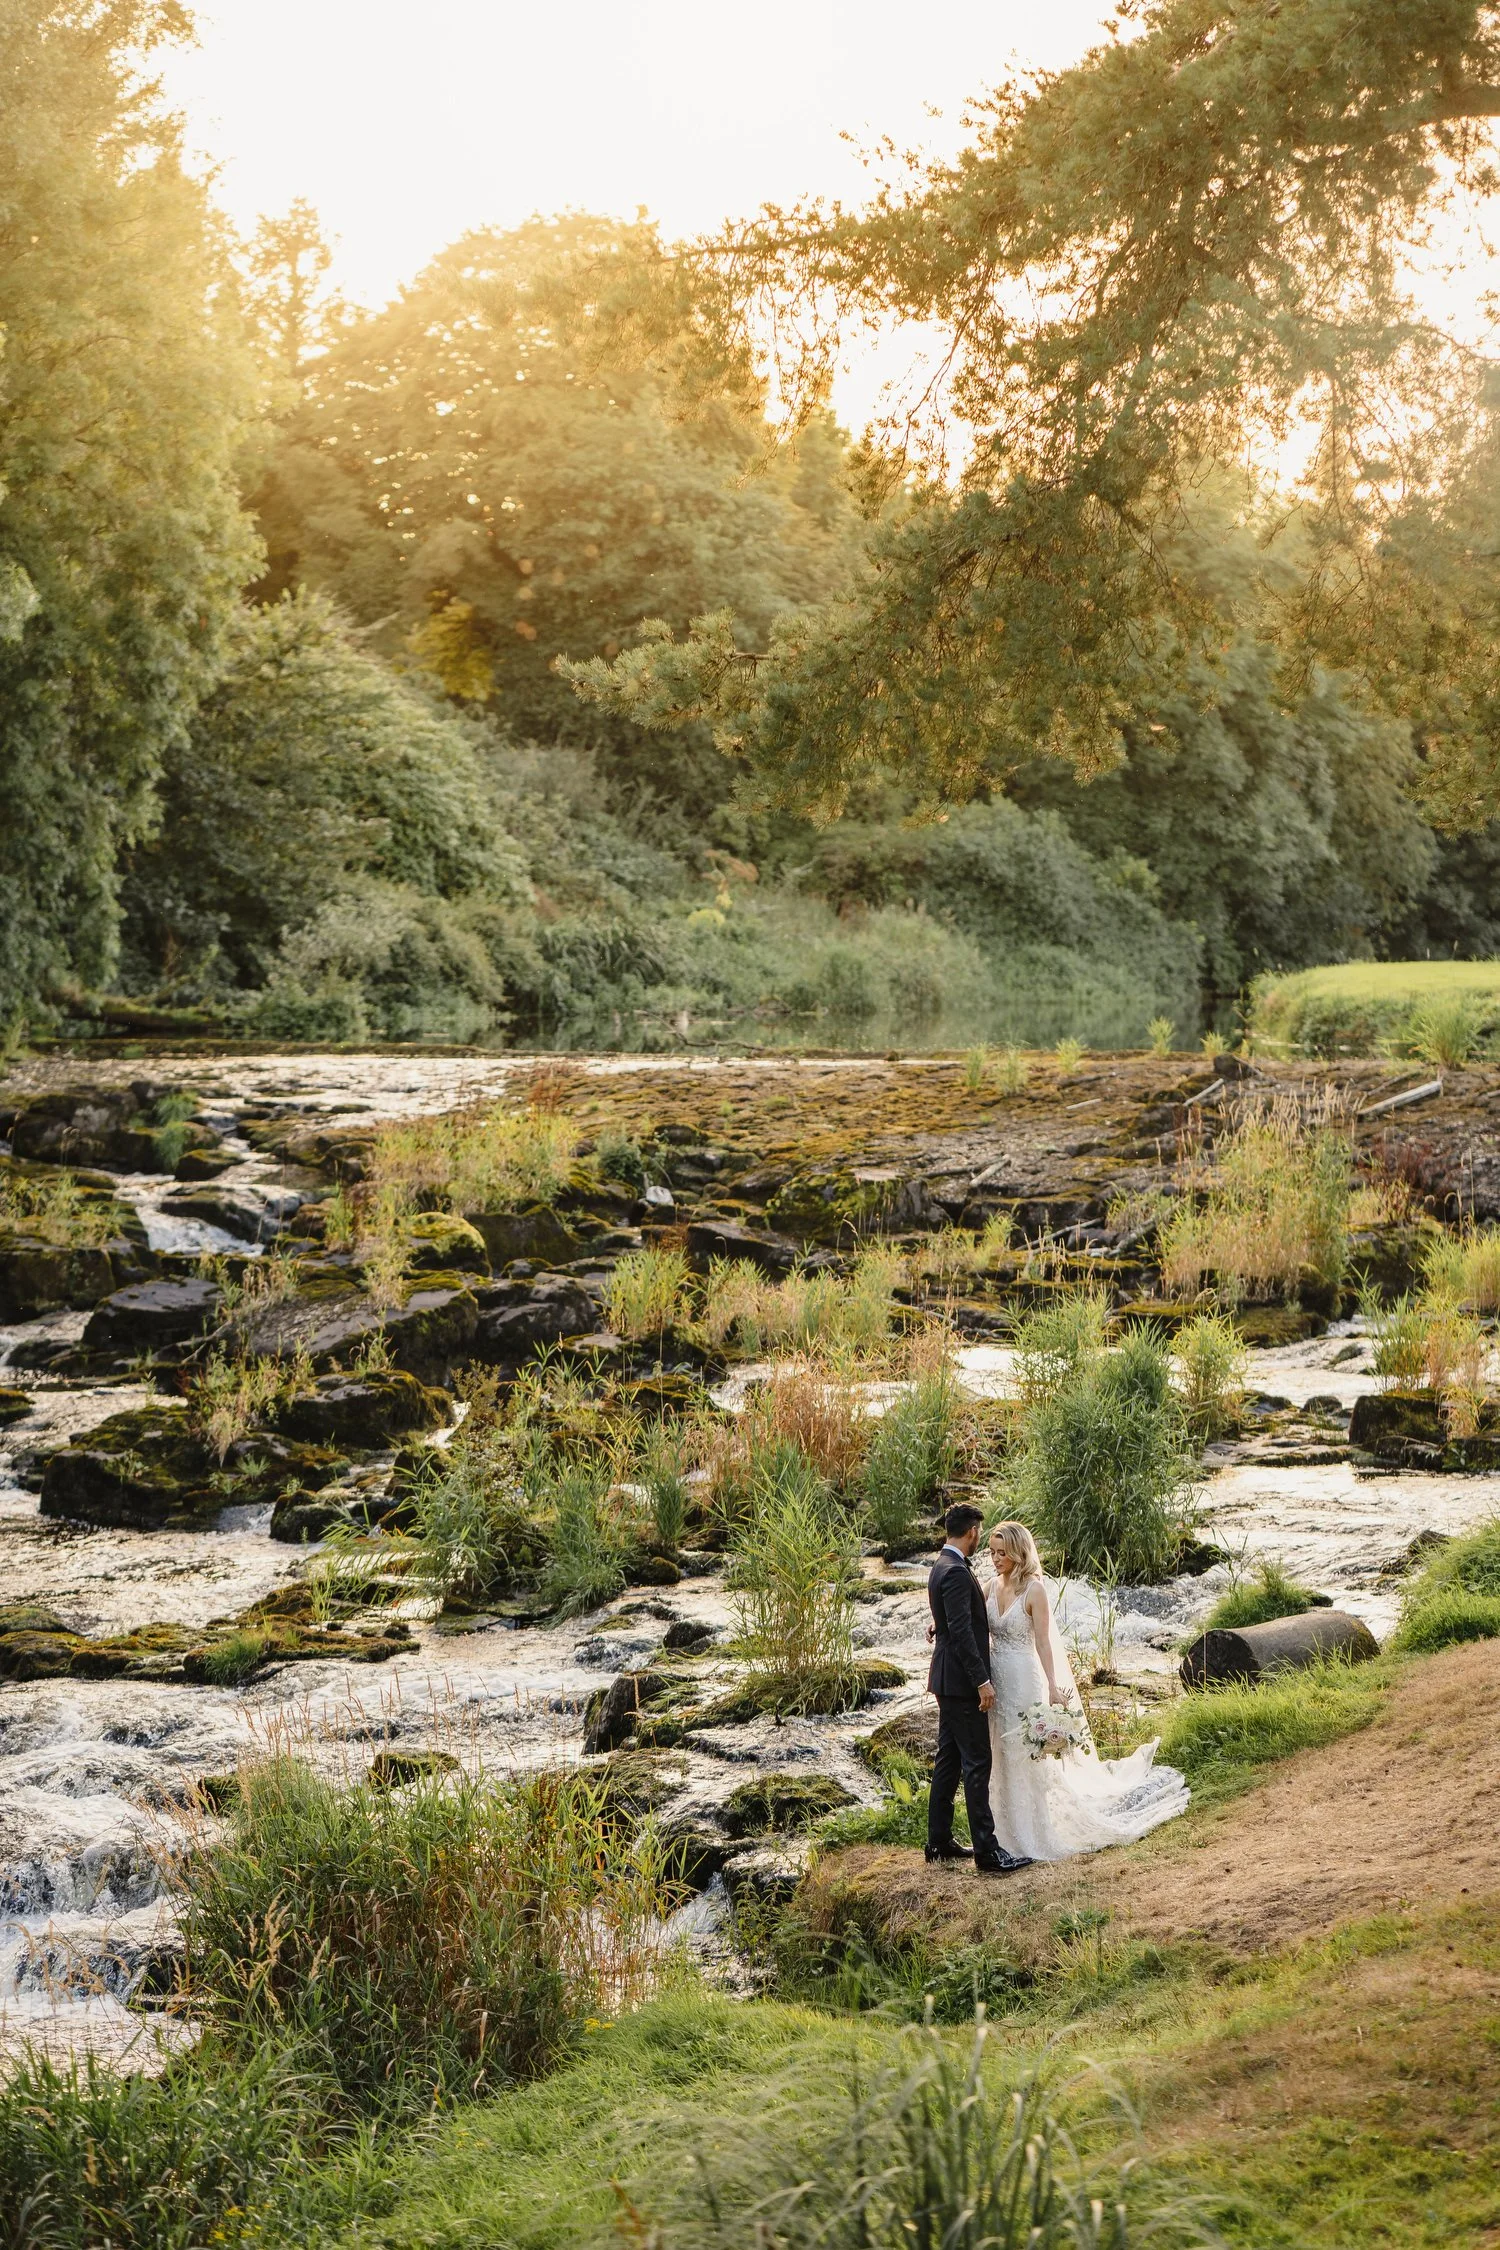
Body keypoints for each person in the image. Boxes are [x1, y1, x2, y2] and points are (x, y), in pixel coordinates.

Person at [983, 1520, 1189, 1861]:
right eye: (992, 1552)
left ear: (1019, 1552)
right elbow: (964, 1614)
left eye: (1002, 1553)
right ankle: (1000, 1832)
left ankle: (1032, 1832)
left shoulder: (1034, 1590)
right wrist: (937, 1624)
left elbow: (1045, 1643)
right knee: (999, 1754)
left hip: (1023, 1678)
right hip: (998, 1680)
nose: (995, 1559)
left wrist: (1052, 1686)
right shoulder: (989, 1586)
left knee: (1025, 1755)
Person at [925, 1503, 1032, 1875]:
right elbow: (964, 1634)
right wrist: (982, 1682)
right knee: (976, 1763)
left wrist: (939, 1625)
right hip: (960, 1683)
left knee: (949, 1760)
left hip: (946, 1680)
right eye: (979, 1535)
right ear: (971, 1532)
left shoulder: (942, 1565)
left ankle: (937, 1842)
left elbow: (952, 1621)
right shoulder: (955, 1571)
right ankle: (988, 1853)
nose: (980, 1542)